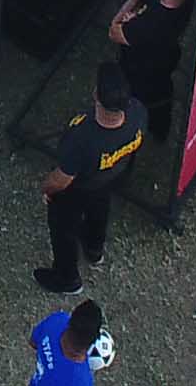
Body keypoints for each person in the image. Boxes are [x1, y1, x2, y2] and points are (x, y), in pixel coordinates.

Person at [34, 66, 142, 294]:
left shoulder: (81, 138)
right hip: (111, 179)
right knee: (100, 209)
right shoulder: (139, 114)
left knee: (63, 230)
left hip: (76, 190)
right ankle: (94, 249)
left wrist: (48, 189)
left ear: (96, 95)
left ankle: (67, 278)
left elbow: (62, 179)